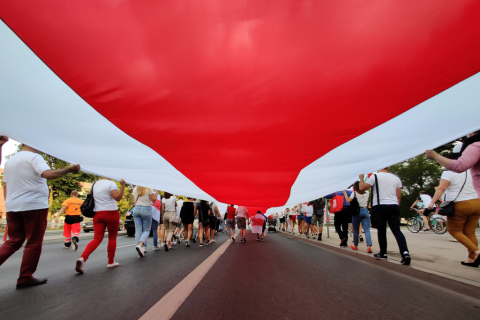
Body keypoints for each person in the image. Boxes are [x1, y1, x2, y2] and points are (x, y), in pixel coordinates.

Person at [0, 144, 80, 288]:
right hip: (33, 205)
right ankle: (25, 277)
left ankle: (25, 276)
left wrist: (9, 205)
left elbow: (5, 185)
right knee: (33, 242)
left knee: (13, 241)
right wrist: (69, 169)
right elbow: (48, 174)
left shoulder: (10, 161)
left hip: (13, 206)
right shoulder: (34, 157)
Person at [427, 153, 480, 267]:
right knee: (470, 232)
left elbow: (441, 188)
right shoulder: (473, 169)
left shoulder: (449, 171)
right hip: (476, 203)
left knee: (454, 231)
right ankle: (472, 259)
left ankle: (476, 251)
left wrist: (432, 203)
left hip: (461, 204)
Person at [359, 168, 411, 265]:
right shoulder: (396, 178)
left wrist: (361, 178)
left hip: (379, 206)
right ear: (389, 167)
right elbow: (398, 196)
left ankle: (383, 253)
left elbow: (362, 188)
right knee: (397, 231)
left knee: (382, 230)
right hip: (394, 206)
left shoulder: (374, 177)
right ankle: (405, 253)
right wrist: (395, 205)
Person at [75, 178, 125, 273]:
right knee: (112, 238)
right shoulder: (111, 184)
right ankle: (110, 261)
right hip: (111, 213)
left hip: (98, 214)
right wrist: (122, 185)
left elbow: (91, 197)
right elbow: (117, 198)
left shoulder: (94, 184)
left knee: (97, 238)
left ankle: (82, 258)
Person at [426, 131, 480, 198]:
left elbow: (459, 166)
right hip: (475, 200)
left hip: (460, 203)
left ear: (472, 133)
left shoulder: (476, 146)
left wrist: (435, 156)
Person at [343, 183, 372, 253]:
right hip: (365, 211)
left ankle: (355, 246)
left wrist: (344, 193)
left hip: (357, 212)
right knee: (367, 230)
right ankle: (369, 247)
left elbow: (348, 200)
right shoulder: (367, 193)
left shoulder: (354, 193)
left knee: (355, 229)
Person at [132, 186, 157, 257]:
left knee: (138, 230)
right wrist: (157, 191)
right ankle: (140, 246)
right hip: (146, 209)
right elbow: (154, 200)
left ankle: (139, 251)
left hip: (136, 209)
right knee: (146, 230)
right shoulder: (149, 188)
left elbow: (134, 201)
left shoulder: (135, 188)